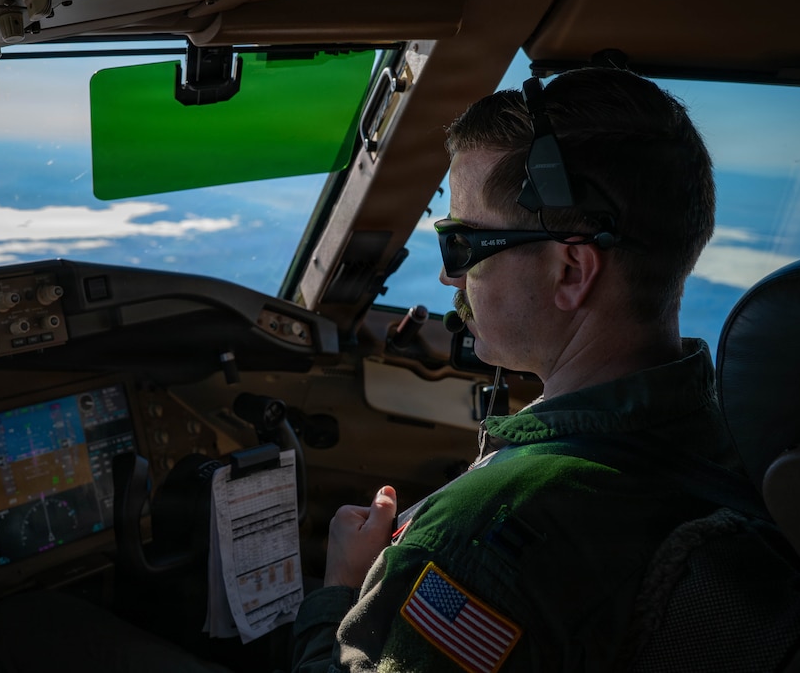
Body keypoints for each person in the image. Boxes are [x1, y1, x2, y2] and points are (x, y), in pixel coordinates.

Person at [290, 67, 746, 671]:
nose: (448, 276)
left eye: (462, 244)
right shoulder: (736, 440)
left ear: (570, 272)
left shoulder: (481, 539)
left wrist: (340, 591)